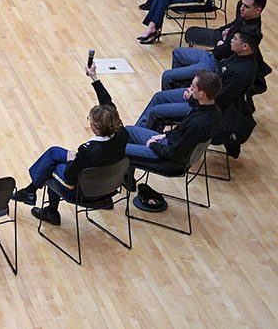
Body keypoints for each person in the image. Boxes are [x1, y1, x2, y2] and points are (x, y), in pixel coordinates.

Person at [13, 64, 128, 225]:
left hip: (84, 191)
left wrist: (72, 159)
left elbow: (69, 176)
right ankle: (30, 192)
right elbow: (107, 102)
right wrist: (94, 77)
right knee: (54, 152)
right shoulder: (122, 134)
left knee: (52, 166)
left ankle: (49, 209)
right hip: (108, 186)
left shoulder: (89, 151)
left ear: (96, 127)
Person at [135, 28, 260, 131]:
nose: (230, 41)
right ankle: (137, 133)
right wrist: (194, 88)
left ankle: (145, 141)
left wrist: (193, 98)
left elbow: (221, 100)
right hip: (201, 95)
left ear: (245, 46)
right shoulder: (237, 55)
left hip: (205, 109)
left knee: (157, 112)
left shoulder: (242, 72)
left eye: (234, 39)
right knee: (159, 97)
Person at [124, 71, 222, 183]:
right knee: (129, 131)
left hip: (168, 161)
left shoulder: (197, 124)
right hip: (168, 144)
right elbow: (181, 134)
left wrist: (153, 145)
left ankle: (107, 189)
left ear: (201, 94)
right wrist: (164, 135)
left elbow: (173, 153)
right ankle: (126, 179)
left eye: (193, 87)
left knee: (117, 150)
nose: (189, 88)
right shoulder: (213, 110)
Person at [162, 0, 265, 90]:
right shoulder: (244, 16)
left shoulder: (249, 31)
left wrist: (221, 43)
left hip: (216, 63)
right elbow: (221, 30)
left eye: (246, 6)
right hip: (213, 54)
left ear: (258, 11)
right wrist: (221, 41)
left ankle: (176, 98)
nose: (241, 8)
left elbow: (224, 52)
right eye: (242, 4)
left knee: (167, 76)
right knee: (178, 53)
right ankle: (180, 88)